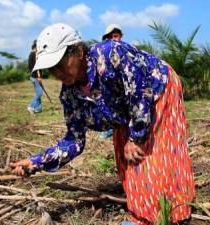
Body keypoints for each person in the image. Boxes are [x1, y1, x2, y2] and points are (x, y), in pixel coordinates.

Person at [10, 23, 195, 225]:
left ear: (79, 51)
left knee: (153, 155)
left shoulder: (111, 54)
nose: (57, 73)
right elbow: (74, 141)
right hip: (126, 110)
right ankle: (143, 212)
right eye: (51, 69)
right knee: (129, 162)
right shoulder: (70, 96)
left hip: (158, 89)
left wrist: (136, 136)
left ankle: (168, 212)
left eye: (60, 64)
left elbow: (141, 93)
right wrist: (36, 161)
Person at [98, 24, 124, 139]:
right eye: (111, 37)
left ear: (120, 36)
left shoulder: (125, 52)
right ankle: (107, 131)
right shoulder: (101, 54)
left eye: (115, 36)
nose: (114, 39)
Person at [27, 40, 43, 114]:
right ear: (35, 47)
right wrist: (38, 76)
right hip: (35, 77)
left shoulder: (36, 55)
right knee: (39, 93)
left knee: (38, 92)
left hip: (36, 76)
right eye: (38, 47)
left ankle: (38, 109)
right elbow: (34, 67)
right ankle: (31, 106)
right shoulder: (33, 55)